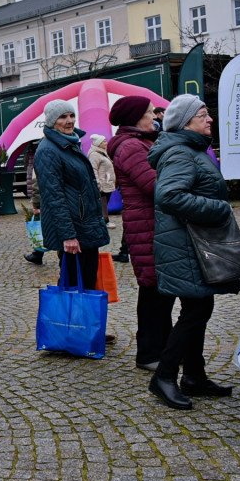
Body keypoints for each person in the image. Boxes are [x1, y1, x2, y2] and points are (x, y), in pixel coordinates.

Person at [147, 94, 237, 410]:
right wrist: (219, 209)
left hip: (193, 244)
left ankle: (194, 377)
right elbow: (169, 196)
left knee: (199, 308)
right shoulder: (180, 153)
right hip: (185, 245)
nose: (209, 118)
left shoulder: (190, 150)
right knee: (195, 312)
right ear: (185, 122)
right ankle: (165, 376)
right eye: (202, 114)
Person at [107, 96, 175, 372]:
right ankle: (148, 353)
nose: (155, 117)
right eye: (149, 113)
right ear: (135, 118)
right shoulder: (131, 146)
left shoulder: (140, 141)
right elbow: (153, 184)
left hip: (152, 224)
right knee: (152, 291)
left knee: (160, 291)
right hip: (146, 226)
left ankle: (163, 348)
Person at [33, 100, 110, 289]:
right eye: (63, 117)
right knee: (74, 287)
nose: (69, 121)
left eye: (71, 115)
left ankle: (83, 319)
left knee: (86, 284)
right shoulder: (48, 150)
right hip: (74, 230)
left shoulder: (70, 143)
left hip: (84, 225)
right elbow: (54, 197)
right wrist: (67, 235)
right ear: (52, 121)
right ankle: (71, 320)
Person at [22, 141, 46, 265]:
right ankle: (37, 254)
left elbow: (36, 183)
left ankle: (37, 254)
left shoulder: (40, 156)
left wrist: (36, 205)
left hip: (48, 201)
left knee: (43, 228)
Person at [87, 134, 116, 228]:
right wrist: (98, 182)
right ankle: (105, 222)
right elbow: (93, 169)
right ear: (98, 144)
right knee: (102, 203)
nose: (106, 143)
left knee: (104, 203)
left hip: (107, 182)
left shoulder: (102, 152)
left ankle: (102, 221)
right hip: (102, 184)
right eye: (103, 141)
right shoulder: (94, 154)